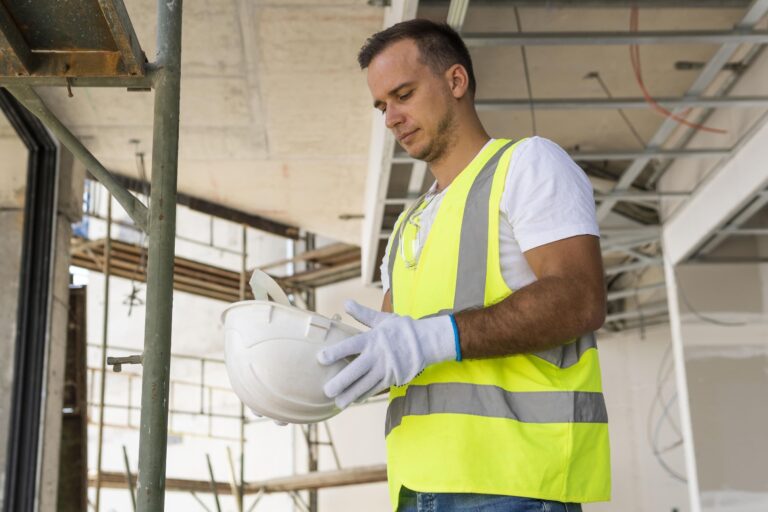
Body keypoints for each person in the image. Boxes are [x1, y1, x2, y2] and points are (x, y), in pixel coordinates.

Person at [316, 19, 610, 512]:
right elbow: (389, 355)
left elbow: (580, 298)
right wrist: (303, 386)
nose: (391, 117)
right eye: (381, 105)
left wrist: (435, 338)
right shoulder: (408, 224)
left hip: (514, 485)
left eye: (403, 94)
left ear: (456, 82)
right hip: (415, 487)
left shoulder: (526, 164)